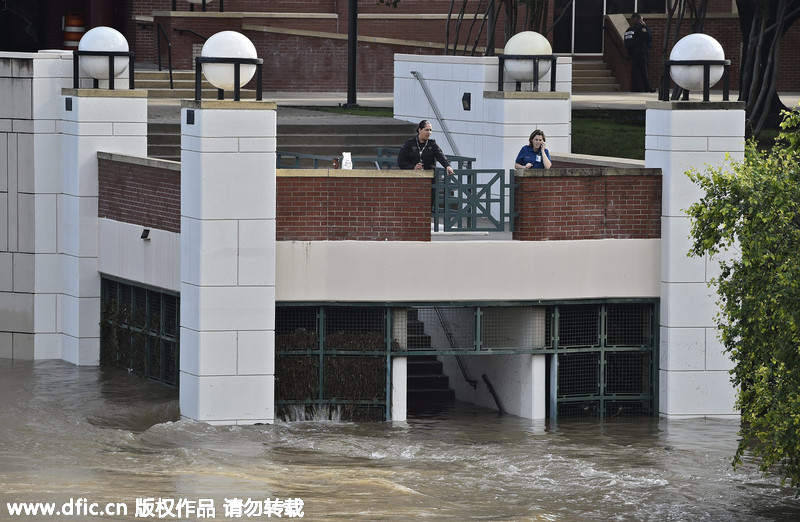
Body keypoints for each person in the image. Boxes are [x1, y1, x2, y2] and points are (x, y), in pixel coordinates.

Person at [624, 13, 656, 93]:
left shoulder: (628, 30)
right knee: (643, 71)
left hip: (632, 53)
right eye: (641, 19)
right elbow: (648, 36)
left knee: (634, 71)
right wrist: (645, 26)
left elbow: (626, 42)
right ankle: (647, 88)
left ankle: (634, 88)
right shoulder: (640, 28)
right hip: (641, 52)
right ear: (639, 20)